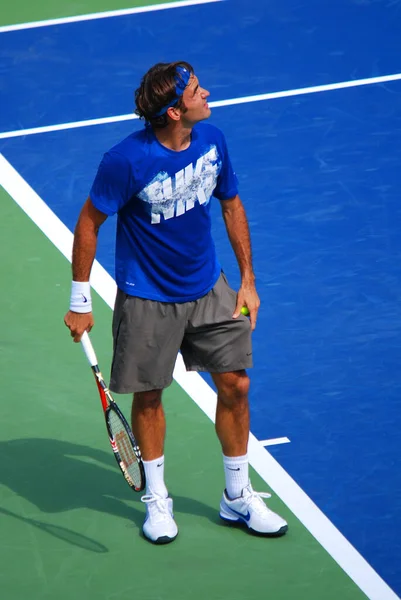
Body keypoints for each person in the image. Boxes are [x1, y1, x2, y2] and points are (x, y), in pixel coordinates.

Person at [64, 61, 288, 544]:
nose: (207, 92)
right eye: (196, 91)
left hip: (210, 287)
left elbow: (231, 204)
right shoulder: (125, 161)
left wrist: (247, 280)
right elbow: (89, 223)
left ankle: (237, 496)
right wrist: (80, 299)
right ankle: (157, 500)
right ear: (173, 112)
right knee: (149, 396)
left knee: (237, 386)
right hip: (147, 298)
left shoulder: (213, 141)